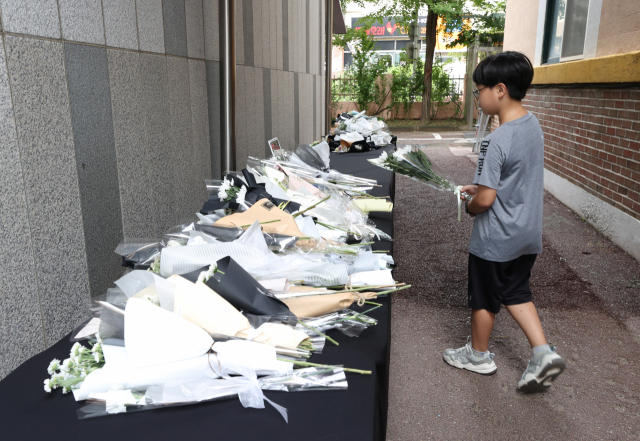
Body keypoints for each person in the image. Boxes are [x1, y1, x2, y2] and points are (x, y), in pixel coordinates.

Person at [442, 51, 565, 393]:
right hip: (527, 234)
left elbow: (485, 199)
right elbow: (512, 178)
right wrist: (480, 188)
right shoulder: (532, 125)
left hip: (495, 238)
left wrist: (470, 204)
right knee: (515, 290)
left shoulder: (495, 139)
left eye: (478, 89)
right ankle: (542, 353)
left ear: (499, 89)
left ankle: (478, 356)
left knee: (483, 298)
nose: (476, 96)